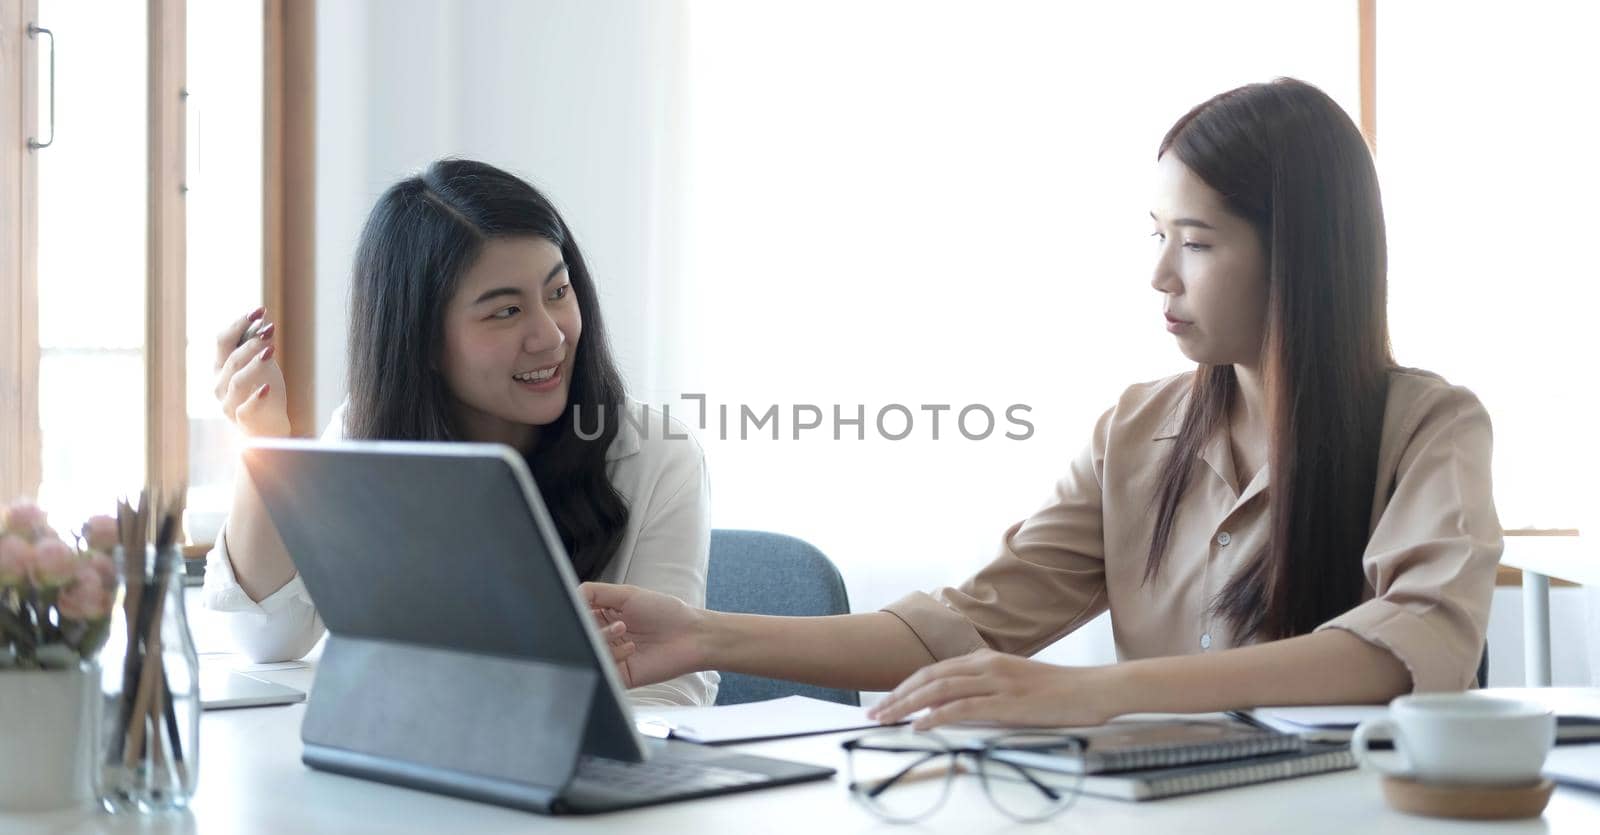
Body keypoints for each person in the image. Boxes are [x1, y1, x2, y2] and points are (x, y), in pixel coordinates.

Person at [580, 78, 1501, 728]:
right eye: (1156, 236)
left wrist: (1094, 692)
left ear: (1298, 252)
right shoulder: (1136, 433)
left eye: (1197, 242)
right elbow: (962, 625)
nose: (1158, 275)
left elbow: (1414, 644)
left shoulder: (1427, 426)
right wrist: (702, 636)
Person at [203, 159, 716, 706]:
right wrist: (263, 441)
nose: (549, 336)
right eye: (506, 312)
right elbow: (268, 638)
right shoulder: (367, 433)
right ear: (421, 339)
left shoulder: (655, 456)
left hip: (572, 777)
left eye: (559, 293)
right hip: (410, 764)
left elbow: (667, 697)